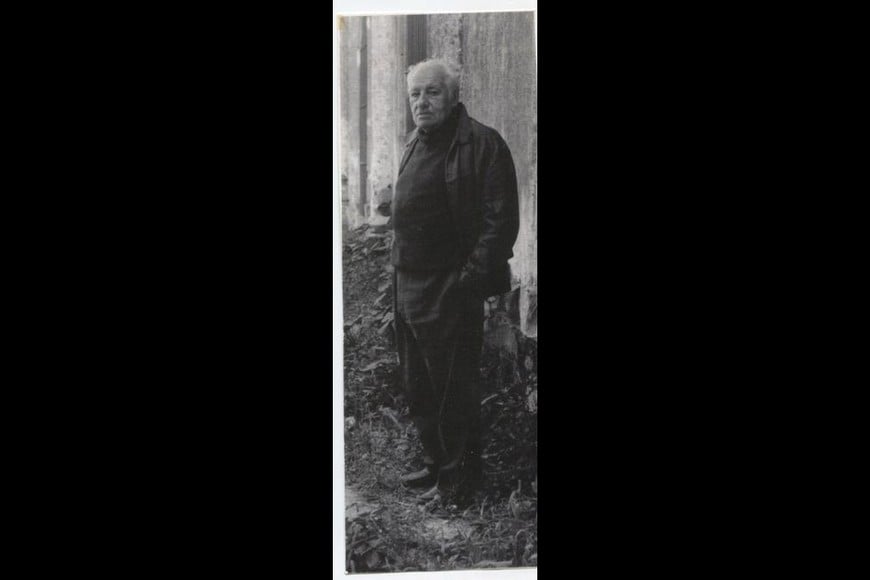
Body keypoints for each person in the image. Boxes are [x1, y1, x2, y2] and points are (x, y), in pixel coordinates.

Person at [390, 58, 520, 504]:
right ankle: (436, 464)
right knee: (419, 383)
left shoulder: (483, 143)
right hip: (407, 281)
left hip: (448, 285)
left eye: (432, 92)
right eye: (415, 94)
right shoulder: (415, 140)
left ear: (453, 95)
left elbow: (500, 223)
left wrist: (466, 281)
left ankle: (459, 484)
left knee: (452, 388)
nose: (422, 102)